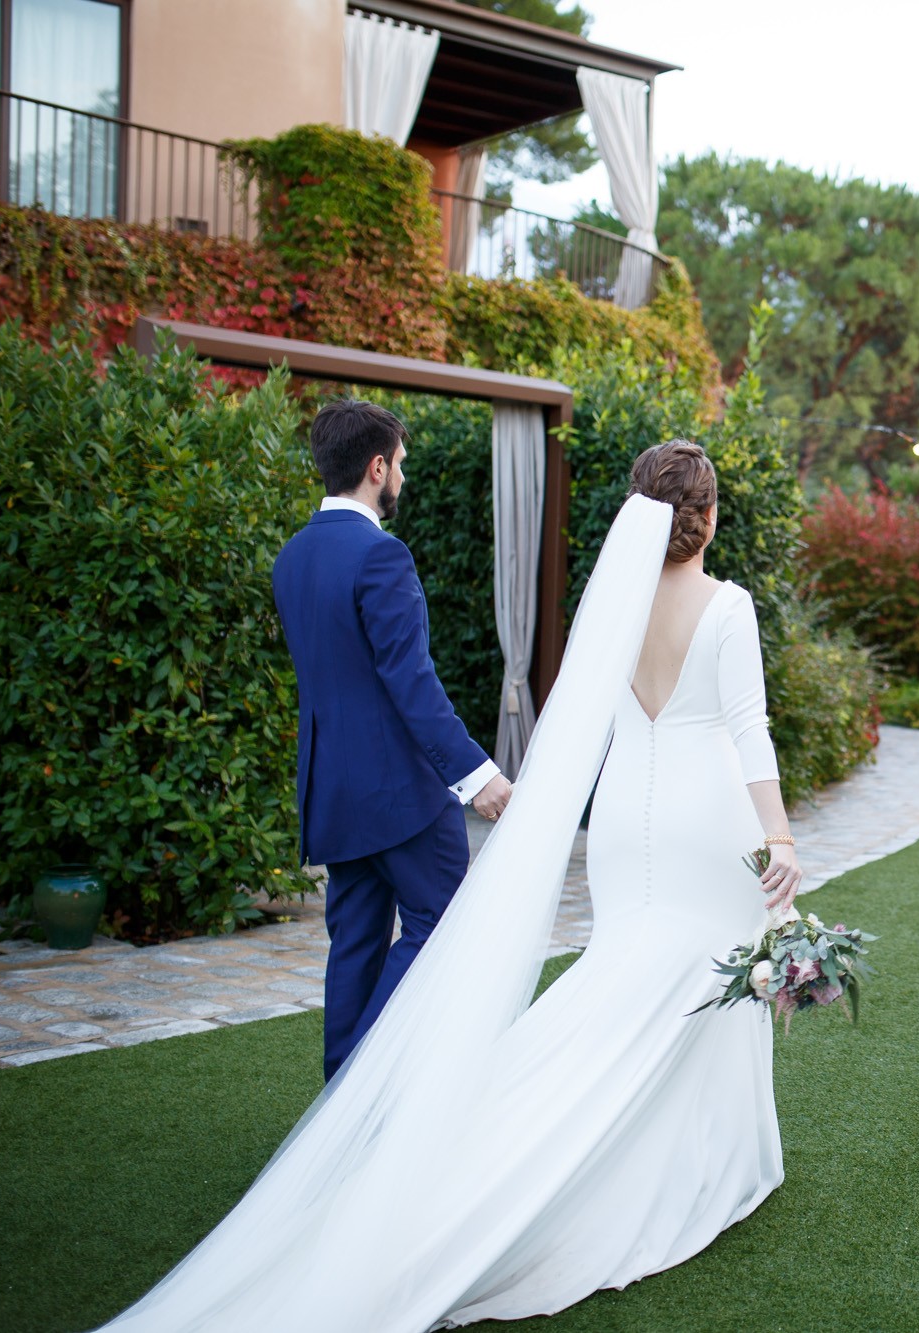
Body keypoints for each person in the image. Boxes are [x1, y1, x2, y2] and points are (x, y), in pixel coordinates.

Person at [96, 442, 805, 1331]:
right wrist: (777, 831)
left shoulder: (615, 601)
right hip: (708, 819)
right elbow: (750, 727)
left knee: (623, 972)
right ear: (710, 515)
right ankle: (707, 1156)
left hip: (624, 819)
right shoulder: (728, 604)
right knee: (708, 973)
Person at [271, 399, 513, 1080]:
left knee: (354, 944)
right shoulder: (382, 555)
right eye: (400, 464)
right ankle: (361, 1080)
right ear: (377, 467)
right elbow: (410, 682)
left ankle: (336, 1113)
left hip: (332, 791)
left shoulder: (292, 559)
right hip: (402, 795)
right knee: (443, 925)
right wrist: (477, 776)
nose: (402, 477)